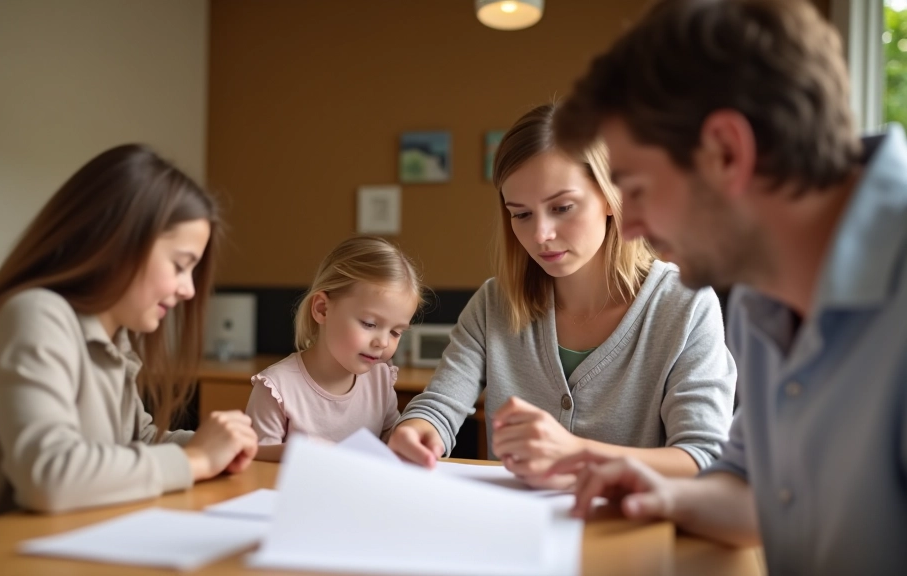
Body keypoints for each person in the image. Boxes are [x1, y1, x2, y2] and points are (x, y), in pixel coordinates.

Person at [550, 0, 907, 573]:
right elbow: (755, 490)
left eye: (635, 188)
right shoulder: (762, 290)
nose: (629, 225)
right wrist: (667, 496)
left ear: (726, 152)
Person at [0, 144, 258, 539]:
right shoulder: (36, 315)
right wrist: (197, 459)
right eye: (180, 266)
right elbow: (50, 474)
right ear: (118, 242)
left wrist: (224, 446)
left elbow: (136, 442)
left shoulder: (113, 337)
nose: (189, 289)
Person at [387, 103, 737, 488]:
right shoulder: (493, 304)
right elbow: (440, 406)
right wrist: (418, 428)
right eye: (521, 214)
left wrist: (576, 453)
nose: (541, 235)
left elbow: (703, 457)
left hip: (627, 523)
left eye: (562, 207)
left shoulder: (685, 303)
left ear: (612, 196)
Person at [245, 236, 424, 461]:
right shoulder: (276, 388)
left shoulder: (380, 380)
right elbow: (253, 462)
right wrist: (302, 451)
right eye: (369, 324)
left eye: (396, 332)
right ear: (322, 309)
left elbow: (391, 443)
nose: (383, 343)